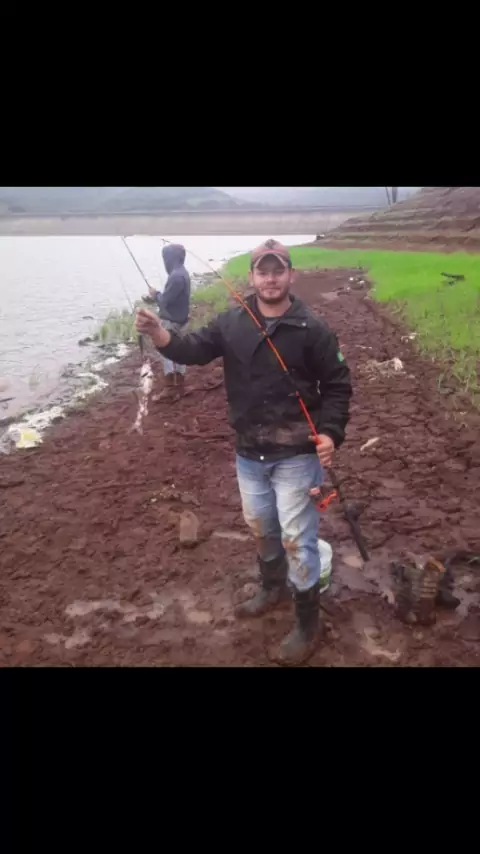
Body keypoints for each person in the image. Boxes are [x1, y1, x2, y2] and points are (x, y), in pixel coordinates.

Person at [136, 239, 352, 664]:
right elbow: (192, 349)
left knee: (297, 539)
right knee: (261, 527)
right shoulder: (232, 321)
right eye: (262, 272)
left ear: (291, 275)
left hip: (297, 454)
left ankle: (308, 624)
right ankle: (272, 588)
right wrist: (159, 332)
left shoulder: (313, 328)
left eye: (278, 271)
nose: (270, 279)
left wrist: (330, 433)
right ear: (251, 277)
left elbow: (338, 385)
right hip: (249, 453)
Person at [145, 243, 191, 401]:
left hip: (172, 322)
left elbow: (165, 301)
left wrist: (155, 294)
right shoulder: (183, 273)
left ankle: (171, 389)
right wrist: (157, 297)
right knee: (181, 352)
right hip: (182, 320)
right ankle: (180, 387)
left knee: (167, 353)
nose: (165, 261)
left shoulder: (175, 277)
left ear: (171, 258)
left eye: (165, 258)